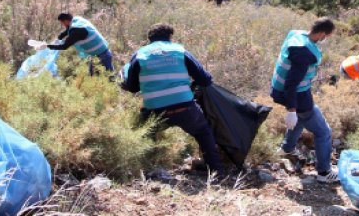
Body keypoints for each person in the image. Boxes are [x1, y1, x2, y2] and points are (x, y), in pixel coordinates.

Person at [121, 23, 223, 174]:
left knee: (143, 133)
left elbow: (132, 88)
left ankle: (145, 167)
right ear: (170, 37)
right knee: (203, 132)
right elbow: (205, 80)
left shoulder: (140, 54)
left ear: (149, 39)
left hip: (155, 112)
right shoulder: (180, 51)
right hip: (185, 108)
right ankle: (215, 170)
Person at [270, 18, 339, 184]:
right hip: (296, 95)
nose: (325, 38)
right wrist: (291, 110)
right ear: (322, 33)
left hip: (278, 89)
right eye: (327, 35)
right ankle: (324, 172)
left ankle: (287, 148)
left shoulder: (297, 34)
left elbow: (296, 69)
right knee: (323, 132)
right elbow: (292, 83)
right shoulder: (303, 53)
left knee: (301, 118)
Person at [34, 13, 114, 76]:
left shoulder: (75, 31)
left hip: (102, 55)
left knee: (109, 77)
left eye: (62, 23)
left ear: (66, 21)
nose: (63, 25)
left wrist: (47, 46)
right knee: (93, 77)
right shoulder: (77, 20)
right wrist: (58, 38)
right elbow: (67, 31)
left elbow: (64, 46)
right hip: (98, 54)